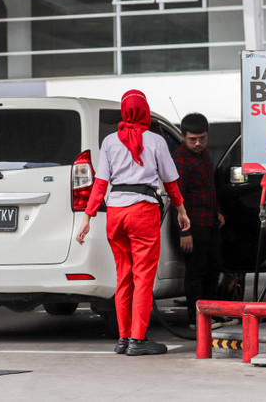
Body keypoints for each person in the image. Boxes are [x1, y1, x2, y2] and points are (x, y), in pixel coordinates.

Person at [75, 89, 190, 356]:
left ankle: (123, 338)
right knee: (143, 277)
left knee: (124, 277)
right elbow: (170, 182)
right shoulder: (156, 141)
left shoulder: (110, 141)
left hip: (115, 214)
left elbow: (101, 183)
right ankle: (138, 339)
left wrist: (87, 218)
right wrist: (181, 211)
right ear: (145, 111)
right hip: (142, 212)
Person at [172, 112, 235, 329]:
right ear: (183, 137)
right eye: (193, 139)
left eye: (202, 138)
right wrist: (184, 232)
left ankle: (211, 313)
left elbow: (210, 188)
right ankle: (195, 318)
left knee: (214, 268)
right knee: (195, 272)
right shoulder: (180, 159)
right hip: (193, 225)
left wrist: (217, 211)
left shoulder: (204, 155)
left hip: (209, 221)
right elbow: (178, 198)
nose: (198, 143)